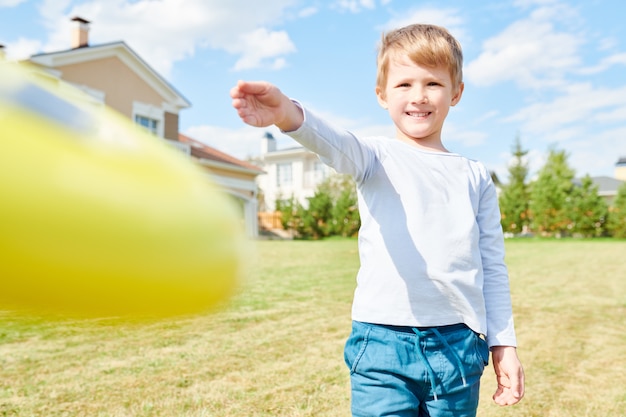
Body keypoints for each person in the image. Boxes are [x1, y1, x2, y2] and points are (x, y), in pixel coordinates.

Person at [231, 23, 524, 417]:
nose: (418, 96)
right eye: (404, 85)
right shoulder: (373, 158)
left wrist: (503, 344)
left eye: (433, 84)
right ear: (382, 95)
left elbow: (492, 265)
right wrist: (288, 114)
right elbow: (334, 143)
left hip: (458, 349)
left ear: (456, 92)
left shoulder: (474, 176)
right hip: (382, 345)